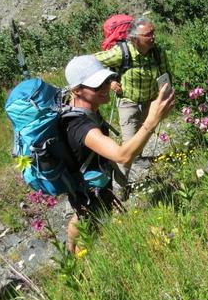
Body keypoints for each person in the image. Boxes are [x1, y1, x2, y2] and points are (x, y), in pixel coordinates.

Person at [63, 54, 174, 254]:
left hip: (96, 183)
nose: (106, 87)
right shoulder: (79, 125)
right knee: (88, 224)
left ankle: (69, 252)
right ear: (77, 90)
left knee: (81, 216)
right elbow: (123, 155)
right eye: (97, 85)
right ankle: (79, 264)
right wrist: (152, 120)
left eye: (107, 80)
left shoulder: (87, 109)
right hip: (88, 189)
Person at [94, 16, 171, 185]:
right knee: (128, 147)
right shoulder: (122, 52)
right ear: (135, 38)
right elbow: (93, 62)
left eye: (153, 33)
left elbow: (166, 75)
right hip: (128, 102)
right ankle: (120, 187)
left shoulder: (158, 53)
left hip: (150, 102)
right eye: (148, 35)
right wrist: (109, 81)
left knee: (143, 136)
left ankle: (136, 160)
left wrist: (166, 98)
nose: (153, 37)